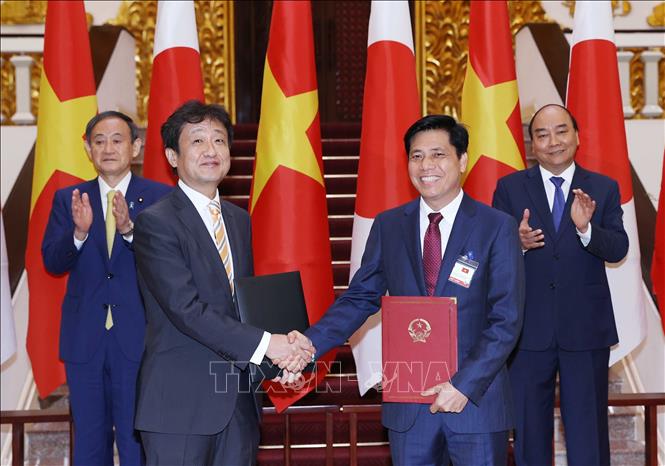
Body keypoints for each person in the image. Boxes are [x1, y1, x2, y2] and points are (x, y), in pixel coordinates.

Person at [283, 115, 524, 465]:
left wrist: (463, 385)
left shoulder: (496, 226)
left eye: (438, 154)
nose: (426, 165)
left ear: (462, 161)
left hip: (475, 402)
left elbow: (507, 319)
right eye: (416, 156)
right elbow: (359, 297)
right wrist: (309, 345)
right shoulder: (389, 225)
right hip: (409, 407)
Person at [132, 100, 314, 465]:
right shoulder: (157, 223)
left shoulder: (237, 219)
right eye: (197, 141)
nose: (211, 150)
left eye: (219, 140)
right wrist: (268, 344)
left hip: (239, 404)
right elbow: (187, 310)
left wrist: (288, 345)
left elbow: (239, 305)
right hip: (180, 406)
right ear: (172, 156)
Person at [492, 104, 629, 465]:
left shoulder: (602, 187)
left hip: (585, 330)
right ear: (531, 144)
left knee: (588, 432)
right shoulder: (508, 188)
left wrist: (586, 229)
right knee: (529, 432)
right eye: (542, 134)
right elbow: (492, 259)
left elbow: (618, 248)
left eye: (561, 131)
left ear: (577, 136)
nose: (553, 141)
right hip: (527, 331)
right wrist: (514, 244)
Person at [42, 111, 171, 465]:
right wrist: (78, 235)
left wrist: (130, 231)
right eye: (99, 141)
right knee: (88, 445)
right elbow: (52, 261)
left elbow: (166, 265)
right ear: (88, 148)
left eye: (117, 140)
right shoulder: (69, 198)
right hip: (85, 342)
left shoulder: (161, 198)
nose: (108, 148)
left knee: (135, 445)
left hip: (138, 341)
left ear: (136, 146)